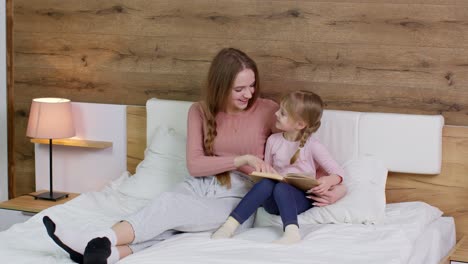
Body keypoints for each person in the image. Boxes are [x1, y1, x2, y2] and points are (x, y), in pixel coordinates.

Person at [42, 48, 279, 264]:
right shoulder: (199, 111)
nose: (249, 94)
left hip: (241, 199)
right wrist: (241, 159)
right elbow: (195, 166)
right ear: (221, 86)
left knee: (169, 207)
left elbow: (300, 145)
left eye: (252, 85)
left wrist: (318, 176)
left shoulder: (268, 110)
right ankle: (111, 253)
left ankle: (97, 238)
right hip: (200, 184)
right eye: (239, 89)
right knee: (163, 217)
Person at [212, 90, 346, 244]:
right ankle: (229, 226)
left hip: (299, 200)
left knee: (282, 188)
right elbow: (268, 171)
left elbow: (338, 172)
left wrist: (329, 181)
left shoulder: (313, 146)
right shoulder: (273, 141)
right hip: (273, 202)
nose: (276, 114)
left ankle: (291, 233)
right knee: (267, 183)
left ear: (300, 124)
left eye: (282, 113)